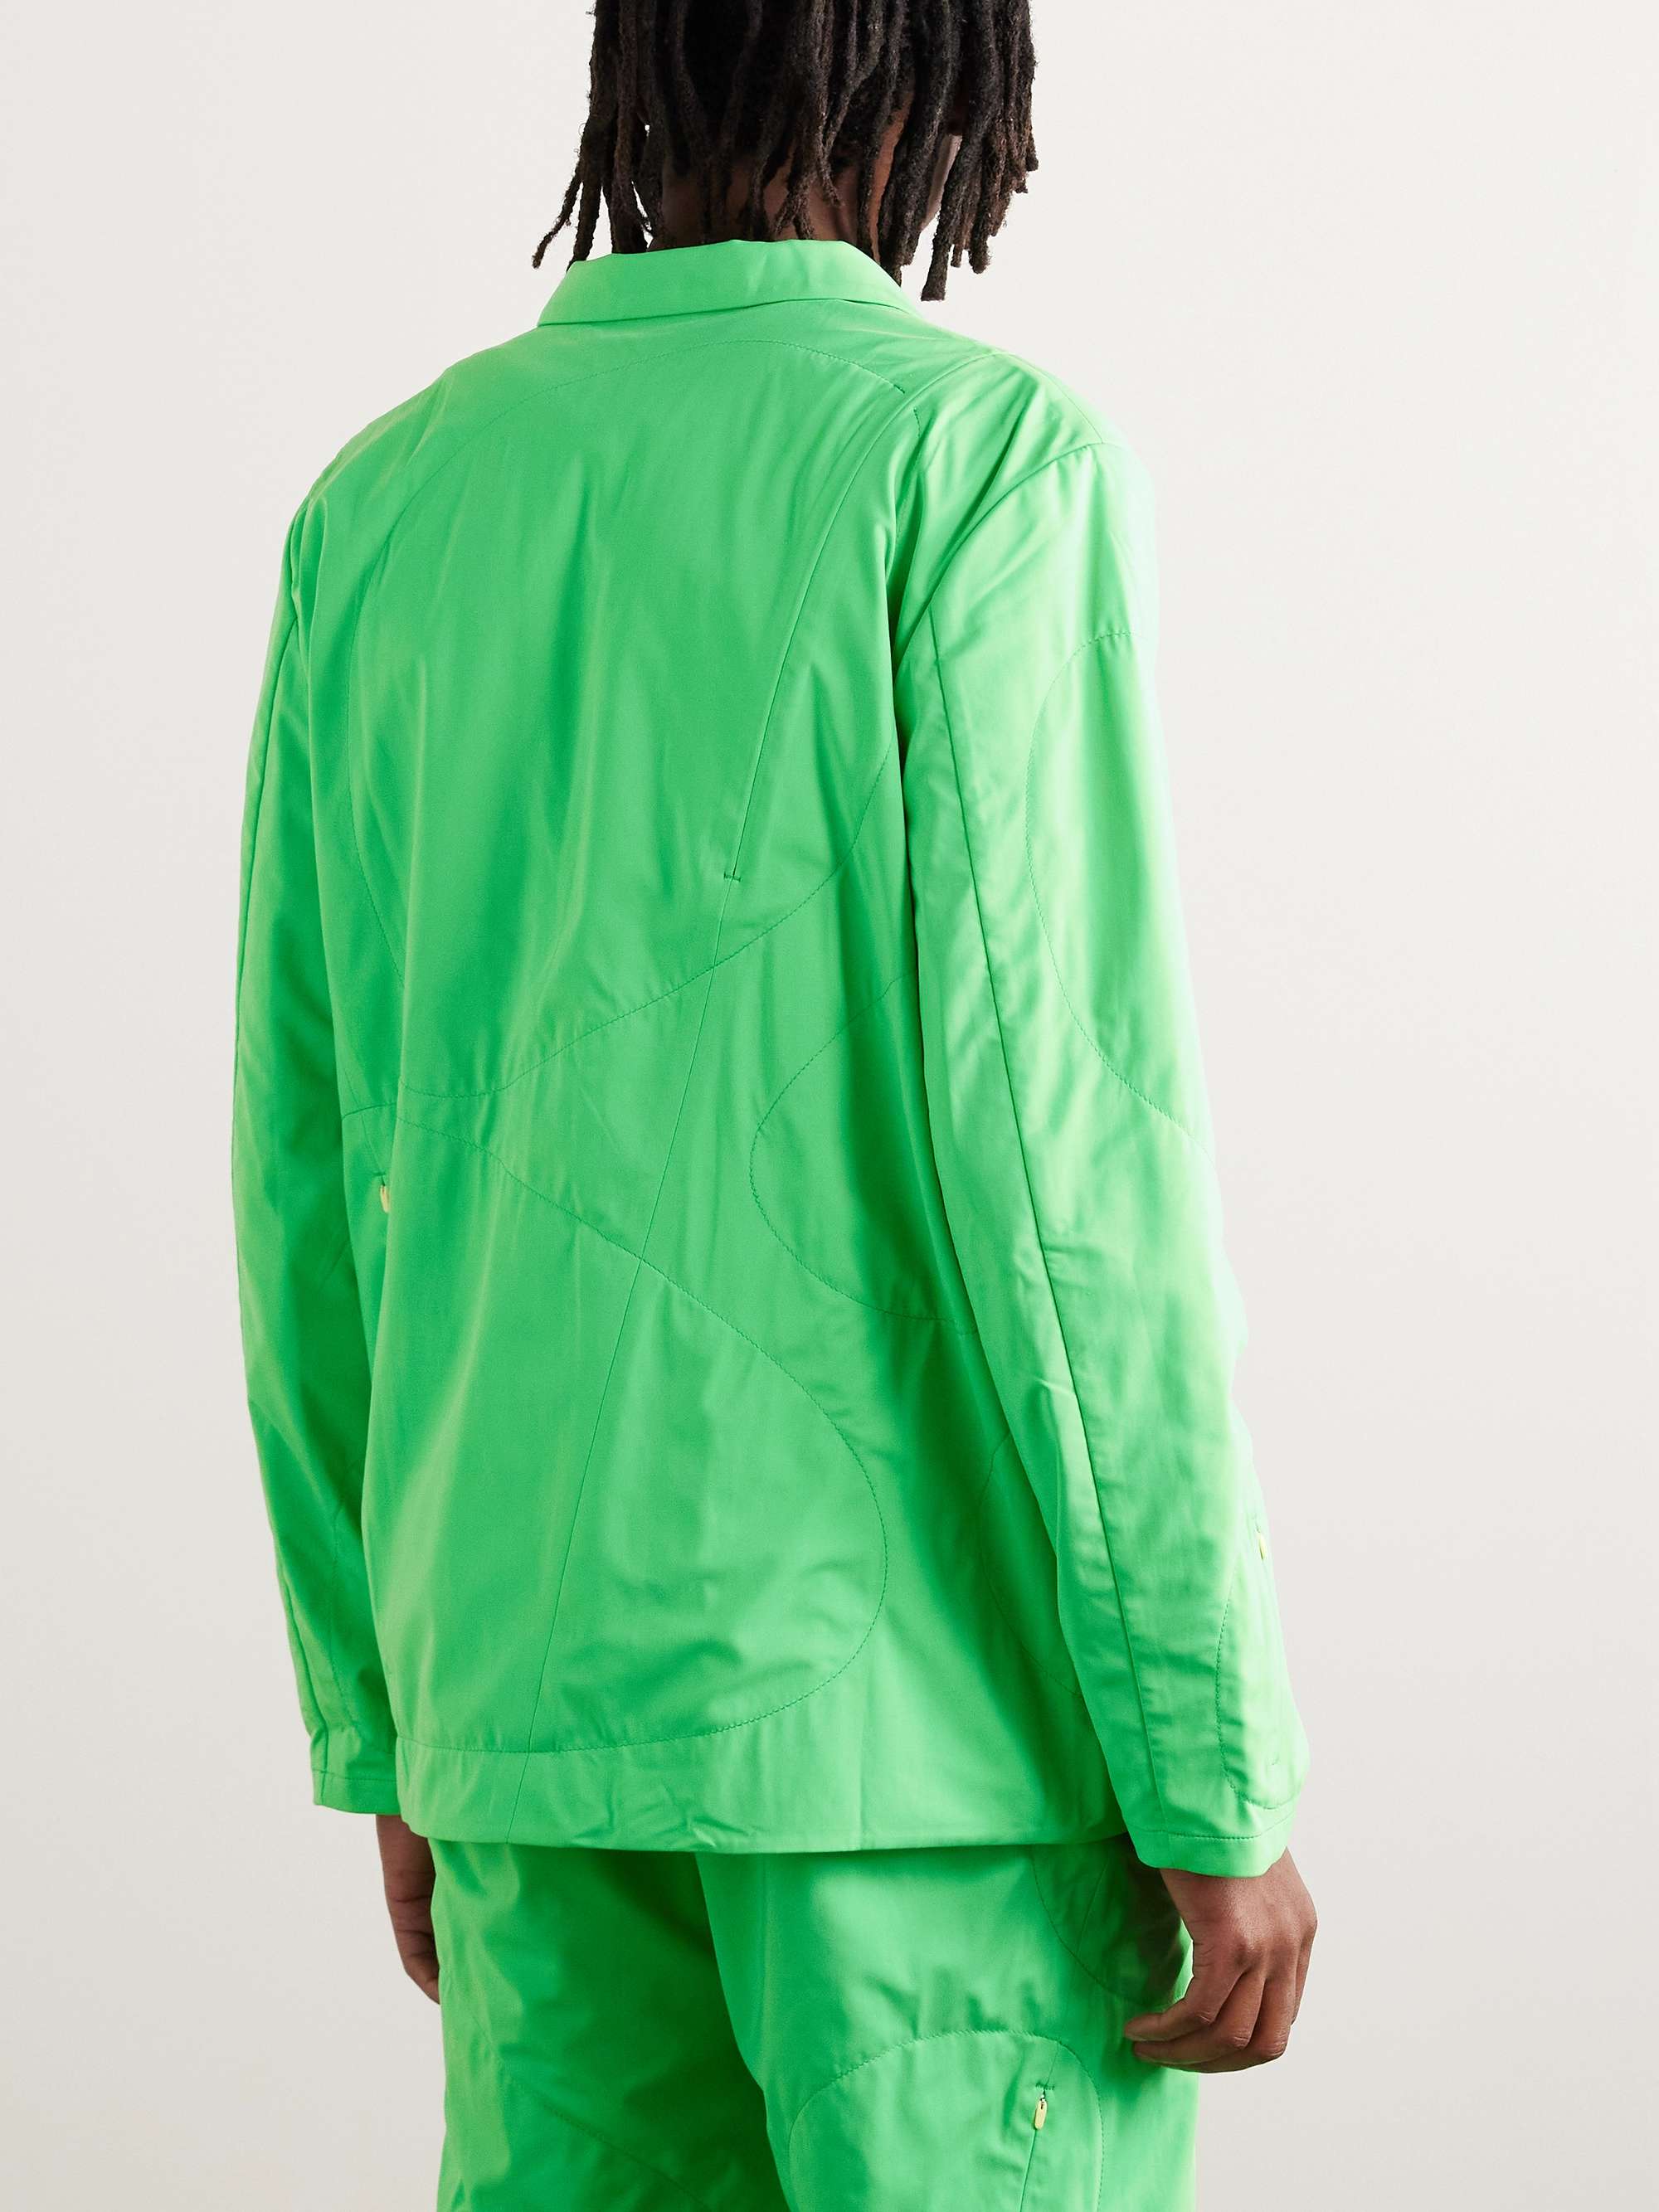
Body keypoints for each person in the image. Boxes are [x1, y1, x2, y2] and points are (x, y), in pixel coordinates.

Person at [231, 5, 1316, 2205]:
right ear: (936, 90)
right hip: (930, 1768)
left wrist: (389, 1714)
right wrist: (1207, 1762)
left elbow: (311, 1161)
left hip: (526, 1727)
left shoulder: (383, 507)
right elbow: (1061, 1158)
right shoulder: (971, 461)